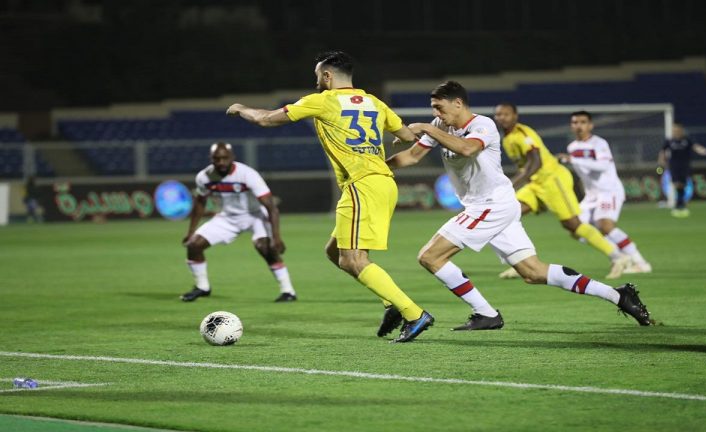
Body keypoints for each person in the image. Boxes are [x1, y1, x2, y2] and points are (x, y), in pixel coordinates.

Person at [387, 81, 652, 330]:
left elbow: (468, 149)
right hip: (494, 205)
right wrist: (376, 167)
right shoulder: (439, 125)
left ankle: (486, 313)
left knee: (430, 256)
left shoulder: (483, 125)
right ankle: (618, 295)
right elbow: (411, 157)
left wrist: (428, 128)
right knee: (533, 272)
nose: (436, 113)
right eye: (433, 108)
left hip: (490, 206)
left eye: (439, 107)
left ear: (458, 103)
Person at [225, 50, 433, 343]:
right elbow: (408, 136)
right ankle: (392, 304)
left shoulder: (322, 100)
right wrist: (411, 132)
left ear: (327, 75)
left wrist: (240, 108)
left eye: (317, 76)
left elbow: (266, 119)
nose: (316, 82)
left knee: (353, 259)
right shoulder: (375, 103)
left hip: (362, 185)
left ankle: (413, 313)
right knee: (335, 252)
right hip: (381, 183)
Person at [493, 103, 631, 280]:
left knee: (573, 225)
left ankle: (618, 257)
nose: (501, 118)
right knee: (506, 215)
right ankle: (522, 263)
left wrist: (512, 184)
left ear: (515, 116)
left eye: (506, 114)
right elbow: (525, 166)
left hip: (553, 179)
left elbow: (536, 162)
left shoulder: (523, 133)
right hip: (535, 183)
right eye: (498, 114)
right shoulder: (507, 137)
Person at [181, 142, 297, 303]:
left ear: (232, 157)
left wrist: (276, 238)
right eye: (217, 159)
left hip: (255, 215)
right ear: (211, 158)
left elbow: (271, 208)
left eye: (225, 158)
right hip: (228, 217)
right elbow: (200, 202)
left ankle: (288, 291)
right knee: (193, 245)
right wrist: (190, 232)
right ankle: (202, 287)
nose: (221, 162)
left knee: (265, 248)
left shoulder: (247, 174)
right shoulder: (204, 177)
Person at [558, 111, 651, 274]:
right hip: (591, 195)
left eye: (583, 122)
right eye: (575, 122)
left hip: (609, 191)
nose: (579, 125)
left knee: (605, 226)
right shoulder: (572, 147)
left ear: (590, 125)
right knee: (575, 229)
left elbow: (603, 166)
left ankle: (641, 263)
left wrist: (573, 160)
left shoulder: (599, 143)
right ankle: (622, 257)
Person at [658, 123, 706, 218]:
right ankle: (679, 204)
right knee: (676, 184)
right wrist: (661, 161)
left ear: (681, 130)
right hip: (674, 165)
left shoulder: (687, 140)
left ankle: (680, 204)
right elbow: (663, 151)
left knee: (682, 184)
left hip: (685, 165)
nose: (675, 131)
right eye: (674, 130)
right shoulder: (670, 141)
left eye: (677, 129)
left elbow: (696, 147)